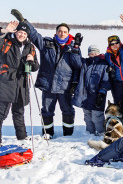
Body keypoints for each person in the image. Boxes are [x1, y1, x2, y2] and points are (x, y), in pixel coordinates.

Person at [11, 9, 82, 137]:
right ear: (56, 32)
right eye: (60, 31)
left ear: (68, 34)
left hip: (64, 86)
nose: (62, 33)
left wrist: (76, 49)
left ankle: (68, 134)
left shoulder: (73, 47)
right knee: (47, 111)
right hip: (48, 85)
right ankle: (47, 133)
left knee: (67, 111)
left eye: (64, 32)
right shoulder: (47, 44)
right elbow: (34, 34)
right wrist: (23, 21)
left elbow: (78, 65)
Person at [0, 21, 39, 145]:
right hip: (6, 82)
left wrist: (32, 61)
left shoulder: (30, 47)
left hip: (21, 84)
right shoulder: (6, 42)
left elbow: (35, 67)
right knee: (1, 113)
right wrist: (4, 31)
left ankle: (22, 137)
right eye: (19, 32)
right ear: (15, 32)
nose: (22, 35)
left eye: (24, 33)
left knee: (19, 112)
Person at [72, 45, 111, 136]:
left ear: (98, 53)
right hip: (85, 95)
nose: (93, 55)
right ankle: (89, 133)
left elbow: (106, 80)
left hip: (97, 95)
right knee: (87, 115)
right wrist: (76, 48)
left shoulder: (103, 64)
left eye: (95, 53)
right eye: (91, 53)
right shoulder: (85, 63)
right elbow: (75, 59)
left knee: (97, 116)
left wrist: (102, 92)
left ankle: (101, 133)